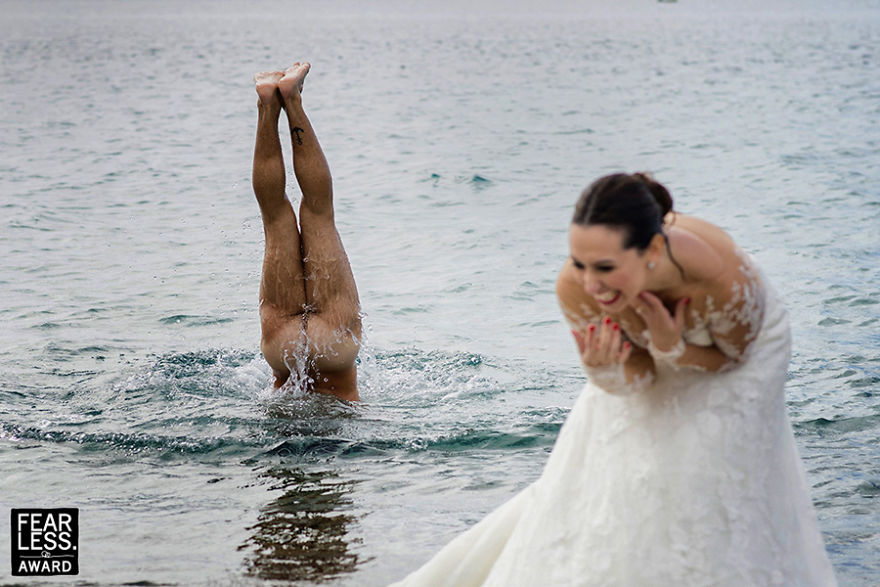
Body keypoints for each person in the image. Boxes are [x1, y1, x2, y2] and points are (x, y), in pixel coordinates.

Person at [392, 173, 836, 585]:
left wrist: (672, 348)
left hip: (737, 356)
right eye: (579, 263)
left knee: (708, 466)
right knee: (627, 457)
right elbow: (638, 379)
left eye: (604, 267)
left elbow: (733, 357)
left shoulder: (719, 280)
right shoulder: (575, 287)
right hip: (666, 344)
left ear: (653, 252)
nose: (590, 284)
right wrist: (604, 371)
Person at [252, 62, 361, 401]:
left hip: (281, 348)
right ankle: (291, 100)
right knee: (318, 211)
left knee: (275, 216)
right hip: (333, 344)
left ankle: (268, 105)